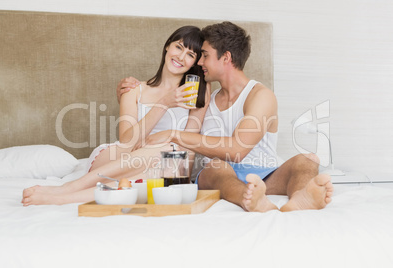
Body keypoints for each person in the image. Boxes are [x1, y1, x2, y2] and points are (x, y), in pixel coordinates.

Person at [120, 22, 333, 212]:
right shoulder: (206, 99)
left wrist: (174, 135)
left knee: (306, 160)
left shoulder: (260, 96)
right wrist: (130, 93)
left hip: (266, 176)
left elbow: (238, 150)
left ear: (226, 57)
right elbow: (154, 110)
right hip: (219, 177)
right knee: (215, 166)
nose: (199, 62)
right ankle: (249, 198)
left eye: (204, 55)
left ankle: (301, 197)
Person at [21, 26, 211, 206]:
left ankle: (62, 198)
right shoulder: (134, 89)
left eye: (190, 54)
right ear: (167, 46)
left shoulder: (196, 94)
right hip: (116, 160)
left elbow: (189, 145)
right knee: (169, 149)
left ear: (195, 62)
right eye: (178, 47)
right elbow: (127, 141)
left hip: (160, 166)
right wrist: (164, 103)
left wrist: (181, 176)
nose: (181, 56)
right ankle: (68, 187)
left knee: (167, 167)